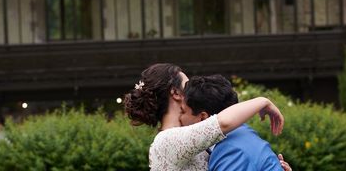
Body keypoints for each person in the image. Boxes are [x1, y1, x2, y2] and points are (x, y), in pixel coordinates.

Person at [124, 63, 284, 171]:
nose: (192, 90)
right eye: (186, 85)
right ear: (175, 93)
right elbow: (224, 122)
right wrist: (263, 101)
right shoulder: (166, 141)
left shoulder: (192, 136)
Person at [181, 75, 290, 171]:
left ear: (203, 117)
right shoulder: (241, 132)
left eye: (182, 111)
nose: (179, 117)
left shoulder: (231, 153)